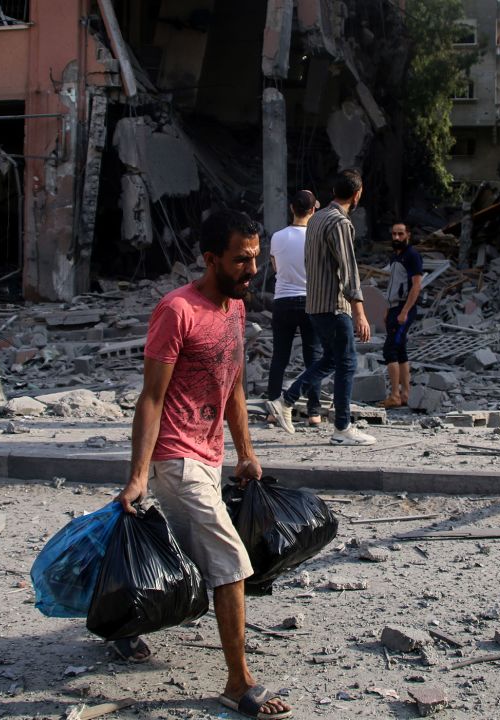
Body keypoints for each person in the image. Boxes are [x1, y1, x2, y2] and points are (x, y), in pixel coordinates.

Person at [114, 208, 293, 720]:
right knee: (230, 561)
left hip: (209, 457)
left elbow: (233, 386)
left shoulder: (235, 310)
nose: (251, 270)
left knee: (183, 560)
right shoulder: (177, 311)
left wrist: (246, 454)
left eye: (256, 258)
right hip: (175, 457)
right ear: (211, 258)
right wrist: (138, 476)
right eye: (241, 260)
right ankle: (239, 683)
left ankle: (122, 626)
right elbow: (151, 397)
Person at [266, 169, 375, 446]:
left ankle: (286, 400)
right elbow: (348, 270)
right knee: (347, 363)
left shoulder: (317, 220)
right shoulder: (339, 222)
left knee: (330, 360)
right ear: (357, 194)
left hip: (315, 305)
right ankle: (341, 428)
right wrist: (360, 311)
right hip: (333, 305)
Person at [265, 190, 323, 427]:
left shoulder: (277, 237)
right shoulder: (318, 236)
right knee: (314, 358)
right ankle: (314, 413)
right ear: (313, 210)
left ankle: (272, 409)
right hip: (311, 301)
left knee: (280, 357)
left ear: (292, 208)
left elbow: (277, 268)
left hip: (283, 301)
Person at [379, 222, 423, 408]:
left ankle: (395, 395)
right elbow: (394, 284)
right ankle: (405, 395)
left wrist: (405, 311)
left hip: (404, 308)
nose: (397, 237)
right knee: (401, 351)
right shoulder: (395, 256)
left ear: (408, 235)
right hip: (394, 308)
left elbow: (416, 286)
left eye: (400, 234)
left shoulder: (412, 256)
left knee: (389, 350)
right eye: (394, 234)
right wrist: (388, 308)